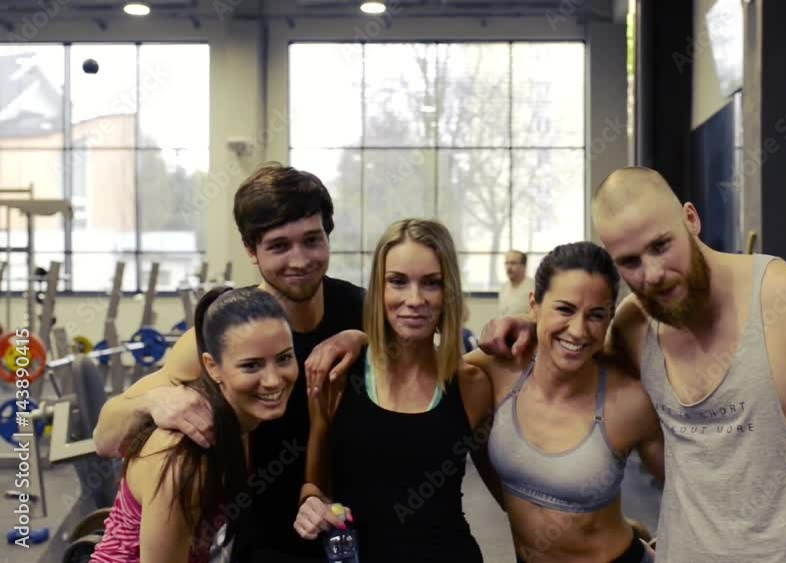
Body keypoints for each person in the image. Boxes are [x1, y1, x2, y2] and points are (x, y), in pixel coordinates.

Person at [482, 166, 786, 563]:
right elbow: (576, 348)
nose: (652, 274)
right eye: (630, 262)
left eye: (661, 246)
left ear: (690, 219)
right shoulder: (634, 326)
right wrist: (531, 321)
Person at [93, 164, 368, 562]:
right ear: (251, 250)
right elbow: (105, 437)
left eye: (312, 240)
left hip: (350, 529)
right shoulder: (226, 332)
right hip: (261, 540)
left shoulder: (367, 312)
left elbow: (438, 363)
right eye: (279, 246)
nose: (299, 260)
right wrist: (152, 403)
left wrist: (363, 337)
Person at [293, 219, 499, 563]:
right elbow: (315, 486)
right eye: (398, 282)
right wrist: (310, 504)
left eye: (431, 283)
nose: (414, 300)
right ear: (379, 288)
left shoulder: (472, 385)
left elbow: (509, 493)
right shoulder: (339, 375)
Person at [466, 241, 663, 563]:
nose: (578, 330)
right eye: (564, 309)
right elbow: (427, 371)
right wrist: (359, 339)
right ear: (534, 304)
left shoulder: (629, 401)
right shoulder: (498, 368)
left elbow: (691, 488)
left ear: (610, 317)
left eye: (596, 315)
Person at [91, 287, 298, 563]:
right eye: (251, 366)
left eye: (284, 358)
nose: (273, 380)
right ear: (212, 367)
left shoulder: (243, 420)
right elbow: (103, 439)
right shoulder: (185, 455)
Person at [499, 250, 533, 316]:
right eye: (506, 263)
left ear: (524, 266)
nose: (509, 267)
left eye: (513, 263)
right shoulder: (504, 287)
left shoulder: (533, 287)